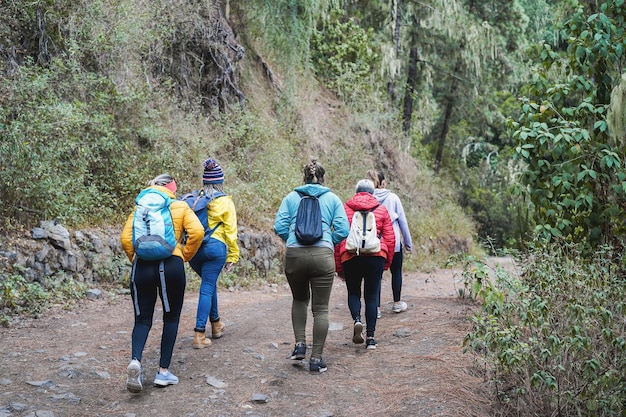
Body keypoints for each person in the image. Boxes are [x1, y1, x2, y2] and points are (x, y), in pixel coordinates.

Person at [120, 174, 204, 393]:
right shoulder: (180, 206)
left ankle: (136, 361)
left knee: (142, 319)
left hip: (142, 267)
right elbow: (197, 232)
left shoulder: (139, 207)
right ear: (172, 190)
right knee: (171, 317)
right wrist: (183, 255)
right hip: (171, 265)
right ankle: (163, 372)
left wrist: (136, 259)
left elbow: (126, 239)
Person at [274, 159, 349, 373]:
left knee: (299, 299)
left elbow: (279, 225)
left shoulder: (291, 197)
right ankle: (316, 359)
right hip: (323, 256)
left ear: (304, 178)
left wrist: (290, 239)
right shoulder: (332, 199)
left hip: (295, 255)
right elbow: (343, 229)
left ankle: (299, 344)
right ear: (323, 179)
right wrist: (328, 241)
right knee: (321, 308)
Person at [334, 179, 395, 350]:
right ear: (373, 193)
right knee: (371, 296)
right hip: (376, 256)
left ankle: (357, 321)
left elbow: (339, 239)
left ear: (356, 192)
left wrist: (339, 267)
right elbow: (390, 239)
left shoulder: (345, 209)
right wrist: (386, 263)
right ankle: (371, 338)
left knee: (353, 292)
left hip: (351, 255)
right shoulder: (381, 210)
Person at [188, 158, 240, 349]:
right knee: (207, 286)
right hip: (214, 249)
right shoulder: (225, 202)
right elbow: (231, 232)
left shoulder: (194, 200)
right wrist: (233, 256)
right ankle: (199, 333)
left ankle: (216, 324)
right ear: (220, 182)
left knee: (208, 285)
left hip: (194, 250)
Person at [365, 169, 413, 316]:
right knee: (396, 271)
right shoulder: (393, 198)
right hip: (393, 241)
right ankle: (397, 303)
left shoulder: (367, 198)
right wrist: (408, 243)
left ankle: (376, 309)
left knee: (375, 275)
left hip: (374, 240)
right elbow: (403, 221)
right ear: (384, 183)